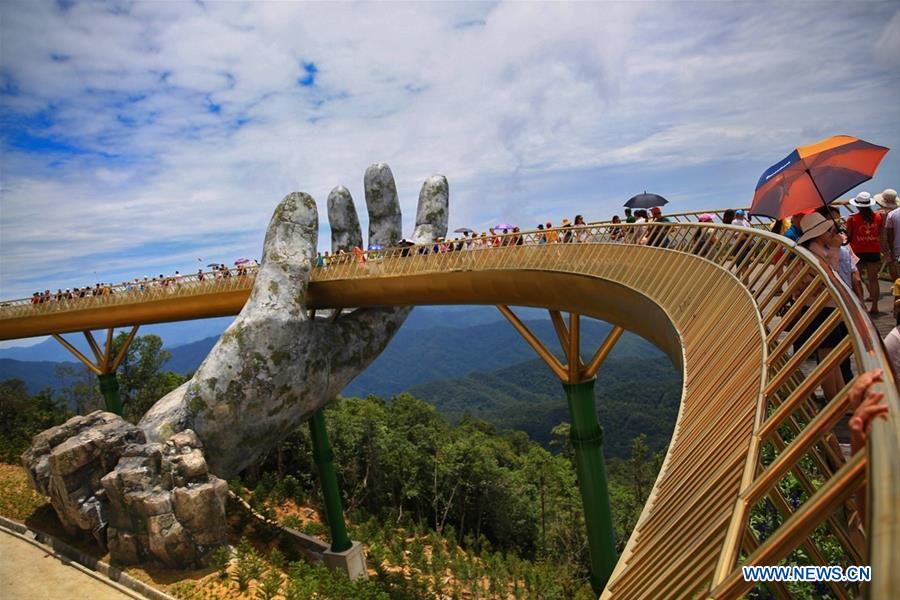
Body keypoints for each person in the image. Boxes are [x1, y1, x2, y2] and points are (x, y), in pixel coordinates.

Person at [792, 212, 847, 400]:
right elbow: (830, 276)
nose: (832, 232)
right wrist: (835, 249)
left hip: (821, 308)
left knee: (831, 356)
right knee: (828, 358)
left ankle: (839, 397)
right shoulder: (817, 251)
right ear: (818, 233)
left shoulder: (811, 249)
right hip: (823, 309)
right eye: (828, 230)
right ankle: (834, 398)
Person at [846, 191, 885, 314]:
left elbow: (849, 236)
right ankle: (875, 306)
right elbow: (880, 234)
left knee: (858, 278)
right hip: (874, 250)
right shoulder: (878, 217)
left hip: (857, 251)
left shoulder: (852, 219)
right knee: (873, 279)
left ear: (857, 205)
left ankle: (861, 304)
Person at [880, 189, 900, 281]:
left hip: (887, 243)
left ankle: (896, 286)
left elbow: (889, 235)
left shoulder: (881, 213)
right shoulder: (894, 213)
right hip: (894, 242)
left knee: (891, 263)